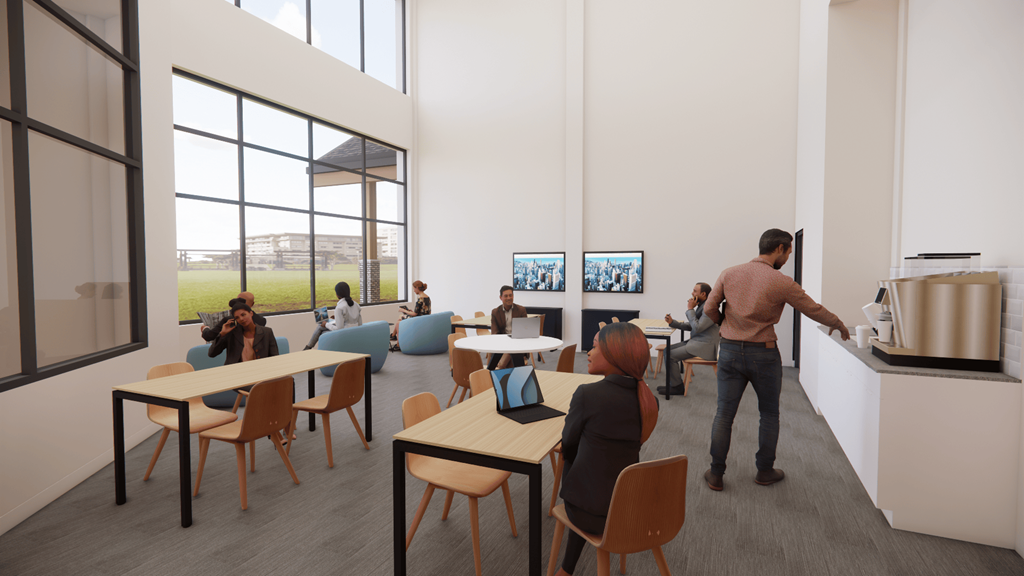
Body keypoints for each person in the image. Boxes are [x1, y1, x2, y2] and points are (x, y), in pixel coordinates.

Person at [702, 229, 849, 491]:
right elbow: (812, 308)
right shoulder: (781, 281)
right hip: (764, 355)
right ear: (779, 248)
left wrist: (726, 324)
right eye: (789, 251)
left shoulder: (729, 273)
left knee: (724, 414)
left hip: (729, 351)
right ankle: (764, 471)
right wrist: (838, 323)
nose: (789, 257)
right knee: (768, 414)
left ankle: (715, 474)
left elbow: (709, 308)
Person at [553, 322, 659, 576]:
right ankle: (567, 569)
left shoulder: (587, 395)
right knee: (599, 460)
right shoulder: (649, 400)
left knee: (573, 456)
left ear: (615, 354)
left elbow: (568, 443)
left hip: (588, 513)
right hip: (628, 508)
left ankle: (566, 569)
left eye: (595, 346)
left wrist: (570, 448)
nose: (588, 352)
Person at [657, 282, 720, 395]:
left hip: (705, 346)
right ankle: (675, 384)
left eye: (695, 291)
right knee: (667, 350)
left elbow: (697, 327)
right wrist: (673, 323)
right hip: (698, 341)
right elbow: (693, 325)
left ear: (703, 294)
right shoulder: (703, 306)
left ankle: (677, 387)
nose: (692, 293)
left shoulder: (710, 309)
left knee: (670, 355)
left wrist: (690, 309)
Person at [208, 302, 279, 364]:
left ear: (251, 313)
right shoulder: (232, 333)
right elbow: (212, 354)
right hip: (236, 372)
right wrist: (222, 334)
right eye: (237, 318)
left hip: (261, 370)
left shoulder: (267, 332)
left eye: (243, 315)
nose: (241, 319)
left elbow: (275, 357)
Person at [303, 282, 362, 350]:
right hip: (354, 332)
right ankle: (308, 347)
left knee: (321, 329)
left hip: (345, 334)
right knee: (321, 327)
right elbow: (359, 323)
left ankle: (308, 347)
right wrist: (337, 318)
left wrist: (326, 325)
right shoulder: (356, 305)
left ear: (337, 295)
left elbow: (340, 329)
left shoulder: (340, 307)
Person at [201, 291, 266, 342]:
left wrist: (205, 328)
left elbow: (209, 336)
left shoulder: (229, 321)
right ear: (252, 304)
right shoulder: (262, 321)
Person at [488, 285, 527, 369]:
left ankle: (499, 370)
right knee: (503, 363)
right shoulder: (495, 312)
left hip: (517, 343)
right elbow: (494, 333)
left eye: (510, 295)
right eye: (506, 296)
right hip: (503, 343)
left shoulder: (521, 310)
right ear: (500, 297)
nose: (509, 298)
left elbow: (524, 331)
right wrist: (504, 343)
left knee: (501, 365)